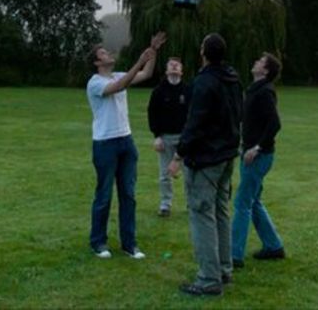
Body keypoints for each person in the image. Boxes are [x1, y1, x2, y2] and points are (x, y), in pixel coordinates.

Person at [168, 33, 243, 297]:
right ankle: (224, 268)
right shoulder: (232, 79)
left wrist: (178, 156)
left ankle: (209, 278)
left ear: (204, 52)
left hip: (206, 159)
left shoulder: (204, 82)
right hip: (226, 156)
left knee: (202, 214)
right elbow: (237, 114)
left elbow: (195, 123)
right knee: (221, 212)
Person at [86, 30, 166, 260]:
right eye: (103, 53)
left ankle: (129, 244)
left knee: (128, 195)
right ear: (96, 62)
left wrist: (153, 51)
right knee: (104, 195)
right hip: (105, 144)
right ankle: (98, 242)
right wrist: (140, 60)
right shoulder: (95, 83)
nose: (109, 53)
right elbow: (120, 86)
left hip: (126, 142)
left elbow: (147, 73)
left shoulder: (119, 74)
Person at [231, 52, 285, 268]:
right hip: (251, 153)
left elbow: (275, 124)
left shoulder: (265, 92)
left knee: (242, 203)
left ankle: (234, 255)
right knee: (253, 202)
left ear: (265, 70)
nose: (255, 62)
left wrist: (257, 147)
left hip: (258, 156)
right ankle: (273, 246)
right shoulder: (254, 90)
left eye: (260, 61)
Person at [147, 56, 191, 217]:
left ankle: (190, 203)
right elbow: (152, 114)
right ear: (166, 70)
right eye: (171, 65)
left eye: (177, 65)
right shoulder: (158, 91)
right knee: (165, 174)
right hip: (165, 138)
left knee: (189, 173)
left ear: (181, 70)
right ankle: (165, 204)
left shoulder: (187, 90)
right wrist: (157, 136)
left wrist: (189, 138)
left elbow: (193, 115)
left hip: (184, 138)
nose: (174, 67)